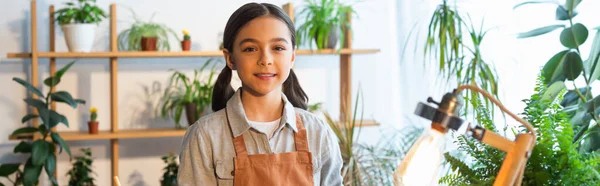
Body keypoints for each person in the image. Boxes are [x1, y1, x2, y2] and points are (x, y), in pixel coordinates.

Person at [177, 2, 344, 186]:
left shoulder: (318, 132)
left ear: (292, 57)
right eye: (250, 49)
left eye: (278, 48)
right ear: (230, 58)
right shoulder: (204, 136)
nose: (265, 60)